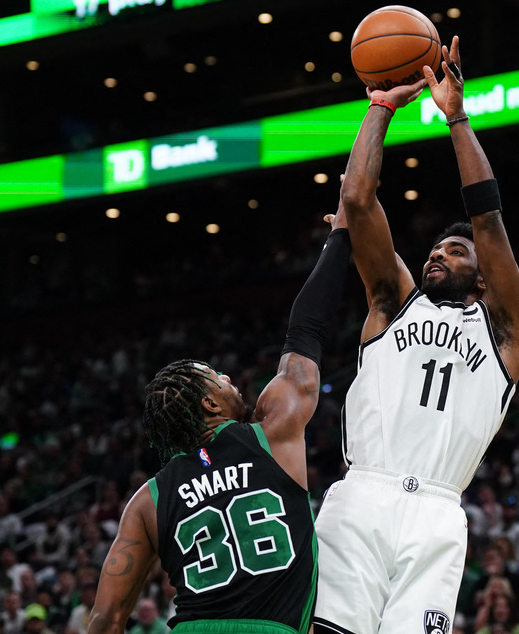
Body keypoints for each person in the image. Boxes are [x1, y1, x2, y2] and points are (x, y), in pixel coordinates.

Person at [312, 35, 519, 634]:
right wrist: (379, 108)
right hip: (362, 495)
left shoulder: (504, 331)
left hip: (437, 510)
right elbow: (357, 201)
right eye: (435, 247)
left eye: (455, 252)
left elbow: (487, 216)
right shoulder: (393, 302)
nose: (438, 253)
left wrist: (455, 117)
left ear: (484, 279)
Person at [84, 206, 353, 634]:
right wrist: (341, 235)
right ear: (211, 404)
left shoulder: (147, 501)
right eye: (217, 378)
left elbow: (105, 619)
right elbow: (306, 331)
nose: (229, 378)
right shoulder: (273, 434)